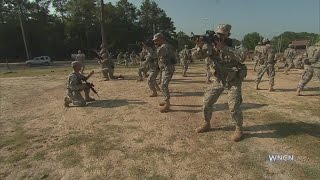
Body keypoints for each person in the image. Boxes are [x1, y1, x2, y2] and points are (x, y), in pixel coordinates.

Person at [192, 24, 247, 142]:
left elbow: (242, 57)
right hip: (219, 79)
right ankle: (207, 123)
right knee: (207, 101)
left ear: (228, 34)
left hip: (233, 79)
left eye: (222, 34)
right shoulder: (211, 44)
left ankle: (239, 129)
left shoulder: (235, 43)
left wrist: (224, 48)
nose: (219, 36)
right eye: (218, 33)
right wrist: (199, 46)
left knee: (233, 106)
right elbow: (196, 57)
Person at [153, 33, 176, 113]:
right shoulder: (165, 46)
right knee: (163, 84)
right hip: (165, 67)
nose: (155, 42)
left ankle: (167, 104)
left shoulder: (164, 47)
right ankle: (165, 100)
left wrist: (149, 48)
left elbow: (155, 55)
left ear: (161, 39)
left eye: (156, 40)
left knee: (164, 85)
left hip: (168, 68)